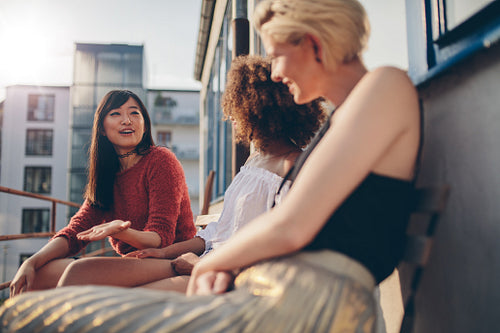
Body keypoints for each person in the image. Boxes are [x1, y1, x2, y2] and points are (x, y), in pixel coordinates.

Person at [0, 1, 420, 332]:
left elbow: (292, 224)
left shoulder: (384, 86)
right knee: (47, 308)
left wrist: (214, 263)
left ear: (313, 43)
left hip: (307, 302)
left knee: (37, 318)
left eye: (276, 54)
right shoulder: (343, 120)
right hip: (277, 289)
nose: (274, 71)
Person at [55, 55, 326, 292]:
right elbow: (216, 233)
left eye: (236, 106)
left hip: (218, 273)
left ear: (259, 109)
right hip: (196, 259)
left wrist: (199, 265)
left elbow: (280, 252)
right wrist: (163, 252)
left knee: (116, 299)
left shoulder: (291, 167)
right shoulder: (255, 160)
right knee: (79, 273)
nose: (231, 116)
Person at [8, 90, 197, 297]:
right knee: (40, 273)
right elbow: (75, 232)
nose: (127, 120)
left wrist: (118, 232)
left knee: (78, 272)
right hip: (135, 263)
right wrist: (31, 261)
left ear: (145, 123)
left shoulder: (161, 160)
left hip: (172, 259)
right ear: (102, 129)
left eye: (134, 113)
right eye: (116, 114)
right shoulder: (107, 175)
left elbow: (160, 238)